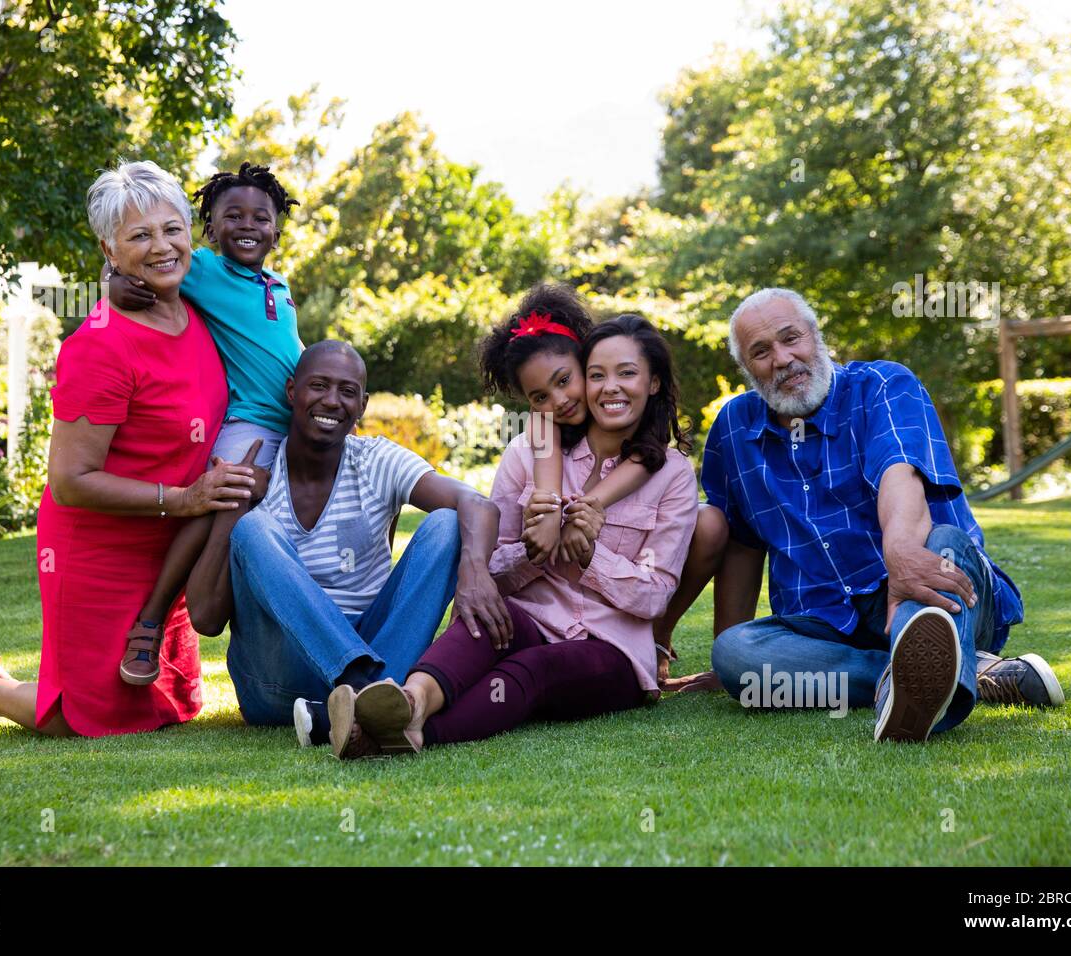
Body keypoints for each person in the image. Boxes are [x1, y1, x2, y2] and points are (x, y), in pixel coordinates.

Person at [0, 160, 254, 736]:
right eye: (139, 236)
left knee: (170, 708)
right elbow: (70, 479)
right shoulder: (99, 346)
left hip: (171, 545)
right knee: (81, 718)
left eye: (172, 229)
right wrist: (185, 496)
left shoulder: (202, 313)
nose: (162, 246)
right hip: (99, 544)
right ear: (109, 249)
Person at [688, 288, 1064, 742]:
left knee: (942, 542)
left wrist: (901, 553)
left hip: (929, 586)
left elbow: (899, 473)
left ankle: (926, 677)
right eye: (761, 351)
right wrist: (727, 667)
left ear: (816, 335)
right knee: (735, 654)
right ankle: (948, 672)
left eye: (792, 338)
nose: (783, 359)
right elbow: (743, 543)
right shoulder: (733, 428)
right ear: (746, 368)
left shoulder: (884, 385)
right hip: (824, 627)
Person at [328, 315, 700, 759]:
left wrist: (589, 558)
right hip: (533, 619)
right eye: (597, 375)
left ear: (653, 383)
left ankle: (407, 733)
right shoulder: (528, 452)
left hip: (611, 647)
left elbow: (656, 596)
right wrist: (534, 550)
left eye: (626, 374)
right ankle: (409, 702)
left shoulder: (673, 474)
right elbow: (495, 570)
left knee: (532, 668)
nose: (607, 388)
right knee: (483, 621)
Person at [181, 340, 508, 749]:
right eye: (318, 385)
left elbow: (478, 505)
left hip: (379, 650)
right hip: (277, 683)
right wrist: (238, 505)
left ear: (363, 405)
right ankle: (363, 690)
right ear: (291, 392)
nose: (332, 401)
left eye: (347, 391)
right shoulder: (257, 468)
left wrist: (474, 572)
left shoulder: (376, 460)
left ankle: (345, 710)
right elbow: (207, 620)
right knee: (254, 529)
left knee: (447, 524)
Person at [106, 163, 303, 686]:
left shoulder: (278, 285)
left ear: (276, 230)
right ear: (210, 231)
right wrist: (113, 286)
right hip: (249, 423)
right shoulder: (206, 270)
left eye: (260, 217)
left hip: (295, 429)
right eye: (231, 216)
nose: (247, 225)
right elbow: (139, 264)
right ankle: (152, 620)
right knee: (221, 495)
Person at [482, 283, 729, 680]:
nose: (559, 400)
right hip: (548, 610)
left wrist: (587, 515)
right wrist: (546, 516)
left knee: (710, 520)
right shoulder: (542, 427)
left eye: (566, 381)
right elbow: (542, 438)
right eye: (540, 395)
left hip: (621, 612)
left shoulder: (655, 453)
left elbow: (646, 460)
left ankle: (657, 637)